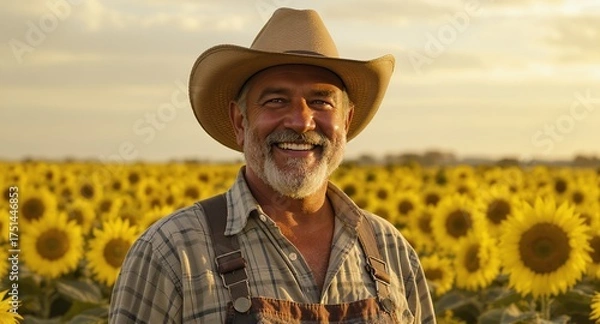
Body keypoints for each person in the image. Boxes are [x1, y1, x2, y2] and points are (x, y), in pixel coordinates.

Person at [109, 7, 436, 323]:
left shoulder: (390, 249)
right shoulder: (171, 252)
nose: (302, 122)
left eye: (321, 101)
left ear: (346, 122)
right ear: (240, 121)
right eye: (276, 100)